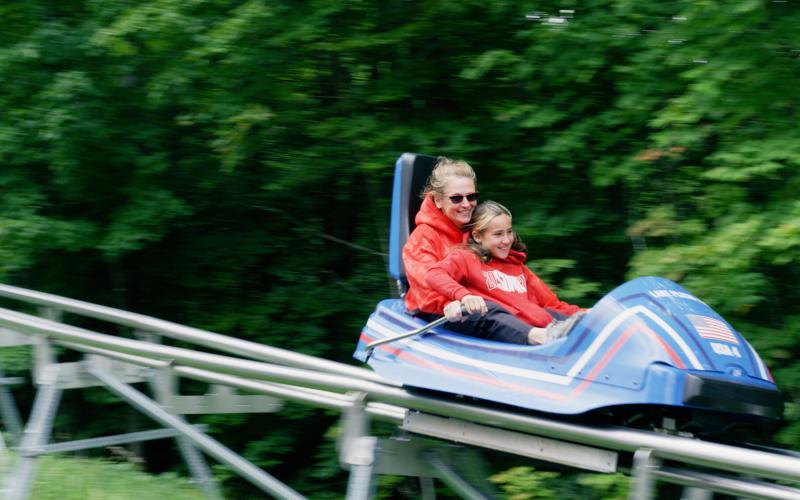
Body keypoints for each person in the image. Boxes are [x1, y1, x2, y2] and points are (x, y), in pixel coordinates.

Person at [426, 200, 587, 345]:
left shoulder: (518, 267)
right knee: (485, 307)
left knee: (579, 319)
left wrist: (588, 314)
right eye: (498, 234)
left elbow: (553, 305)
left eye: (509, 232)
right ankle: (540, 336)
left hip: (542, 323)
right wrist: (465, 296)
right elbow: (434, 274)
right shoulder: (466, 258)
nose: (507, 240)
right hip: (512, 331)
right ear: (477, 236)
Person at [403, 157, 479, 315]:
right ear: (438, 200)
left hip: (481, 305)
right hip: (442, 313)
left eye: (471, 197)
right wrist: (451, 303)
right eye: (456, 198)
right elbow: (427, 286)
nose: (466, 204)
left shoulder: (480, 230)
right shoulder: (422, 238)